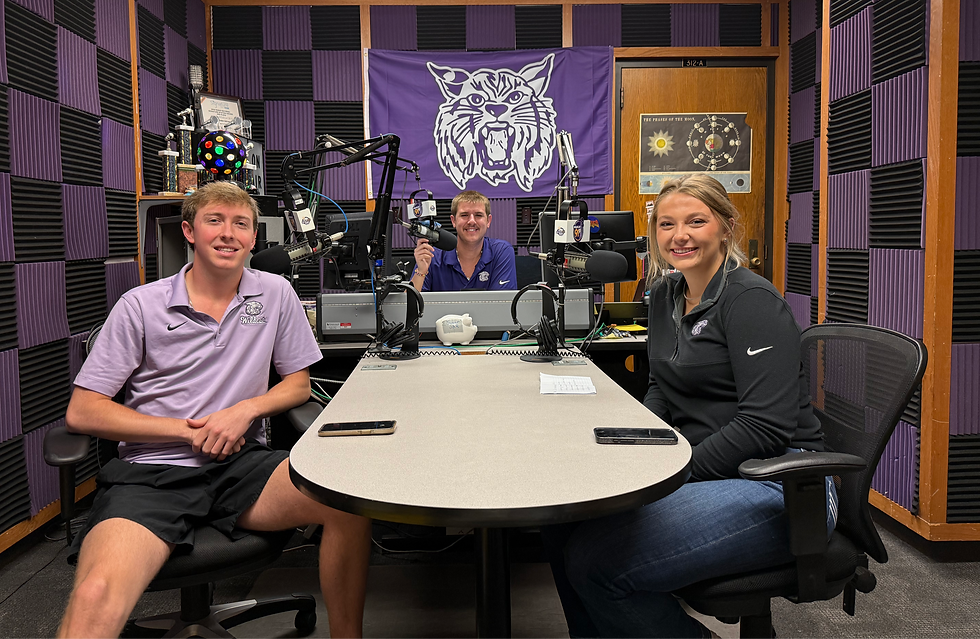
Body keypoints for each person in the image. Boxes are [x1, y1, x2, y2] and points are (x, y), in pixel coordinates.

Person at [58, 182, 371, 639]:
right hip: (153, 473)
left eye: (240, 223)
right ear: (188, 231)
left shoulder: (276, 294)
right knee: (94, 596)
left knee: (347, 502)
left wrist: (245, 410)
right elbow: (83, 412)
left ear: (253, 237)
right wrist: (186, 433)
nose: (229, 233)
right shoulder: (140, 306)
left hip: (240, 465)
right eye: (215, 221)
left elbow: (298, 385)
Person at [545, 174, 837, 639]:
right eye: (666, 224)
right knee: (561, 526)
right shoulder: (663, 294)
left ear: (724, 227)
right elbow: (663, 386)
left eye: (695, 221)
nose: (679, 235)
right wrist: (634, 442)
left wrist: (671, 474)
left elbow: (764, 427)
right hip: (707, 468)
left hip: (781, 482)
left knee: (597, 566)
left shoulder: (752, 301)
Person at [410, 190, 517, 291]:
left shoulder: (502, 251)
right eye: (464, 215)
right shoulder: (432, 256)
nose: (471, 221)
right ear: (454, 221)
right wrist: (421, 271)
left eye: (478, 215)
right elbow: (407, 305)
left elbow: (503, 304)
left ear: (488, 221)